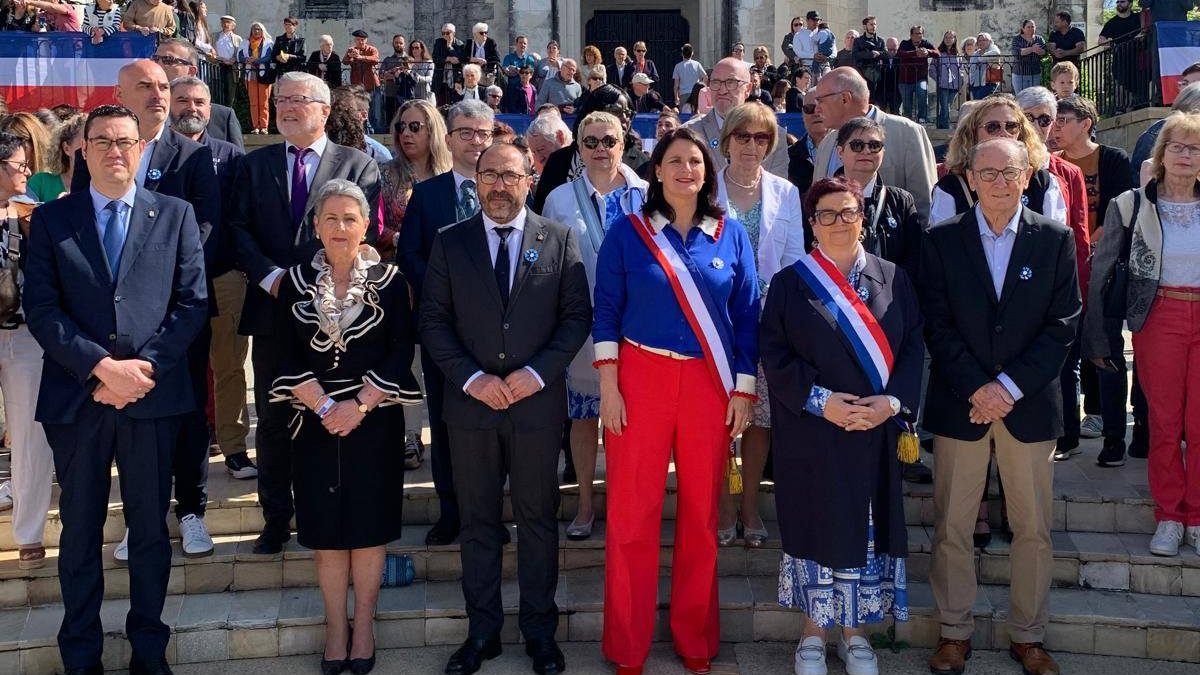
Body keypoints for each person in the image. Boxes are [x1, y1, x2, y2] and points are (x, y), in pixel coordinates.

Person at [25, 103, 208, 675]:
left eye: (125, 141)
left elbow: (192, 304)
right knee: (79, 533)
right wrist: (102, 369)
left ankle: (148, 649)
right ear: (83, 150)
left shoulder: (175, 215)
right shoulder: (53, 221)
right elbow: (43, 309)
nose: (114, 151)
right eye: (101, 140)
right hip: (79, 400)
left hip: (154, 399)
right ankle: (81, 654)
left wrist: (141, 371)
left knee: (150, 532)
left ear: (140, 148)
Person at [420, 140, 590, 675]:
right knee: (478, 522)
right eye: (488, 174)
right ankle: (483, 633)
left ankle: (540, 632)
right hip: (471, 410)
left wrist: (535, 373)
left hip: (536, 409)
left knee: (539, 521)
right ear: (477, 182)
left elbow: (575, 318)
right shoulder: (451, 243)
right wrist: (472, 379)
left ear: (529, 178)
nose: (498, 184)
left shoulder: (560, 241)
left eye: (508, 175)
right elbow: (433, 322)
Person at [595, 127, 758, 675]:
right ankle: (627, 644)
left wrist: (743, 390)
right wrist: (610, 385)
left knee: (701, 516)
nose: (687, 170)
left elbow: (749, 318)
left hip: (709, 387)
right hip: (638, 380)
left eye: (696, 161)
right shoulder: (627, 233)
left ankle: (695, 638)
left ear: (707, 173)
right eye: (675, 161)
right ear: (657, 171)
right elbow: (606, 312)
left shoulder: (731, 234)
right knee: (630, 516)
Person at [922, 137, 1080, 675]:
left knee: (1032, 527)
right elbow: (935, 325)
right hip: (961, 405)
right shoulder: (941, 241)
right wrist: (978, 389)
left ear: (1028, 175)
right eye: (985, 173)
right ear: (967, 180)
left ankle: (1029, 636)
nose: (996, 183)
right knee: (952, 525)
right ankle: (953, 633)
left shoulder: (1054, 240)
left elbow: (1062, 327)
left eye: (1007, 172)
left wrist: (1007, 388)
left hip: (1028, 406)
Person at [763, 174, 922, 675]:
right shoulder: (791, 283)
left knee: (867, 530)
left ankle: (856, 636)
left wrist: (892, 403)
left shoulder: (893, 277)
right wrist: (820, 400)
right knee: (818, 523)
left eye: (848, 212)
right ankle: (813, 633)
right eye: (826, 214)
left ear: (862, 219)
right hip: (813, 431)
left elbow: (914, 346)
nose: (838, 222)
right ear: (812, 224)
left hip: (874, 433)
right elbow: (774, 353)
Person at [71, 59, 222, 561]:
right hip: (109, 329)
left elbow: (201, 234)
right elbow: (82, 232)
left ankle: (193, 510)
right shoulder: (92, 152)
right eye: (147, 86)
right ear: (120, 93)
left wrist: (157, 300)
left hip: (177, 319)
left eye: (165, 86)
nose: (160, 95)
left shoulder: (194, 157)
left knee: (187, 413)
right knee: (127, 423)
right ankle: (142, 517)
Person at [269, 179, 421, 675]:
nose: (339, 227)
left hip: (373, 417)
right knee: (326, 531)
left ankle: (365, 626)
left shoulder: (392, 281)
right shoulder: (292, 281)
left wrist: (359, 404)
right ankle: (336, 628)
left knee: (368, 526)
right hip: (312, 423)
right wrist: (321, 405)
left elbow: (402, 348)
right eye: (329, 218)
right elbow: (280, 352)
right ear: (315, 225)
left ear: (366, 228)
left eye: (349, 219)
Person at [229, 71, 381, 555]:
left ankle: (331, 511)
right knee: (275, 419)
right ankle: (276, 519)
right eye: (280, 102)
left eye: (297, 101)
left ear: (323, 108)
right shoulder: (256, 165)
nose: (286, 109)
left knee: (334, 414)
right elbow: (238, 231)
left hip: (336, 315)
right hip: (273, 309)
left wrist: (317, 283)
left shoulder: (358, 165)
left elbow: (359, 232)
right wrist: (272, 277)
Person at [1082, 111, 1200, 557]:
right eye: (1178, 146)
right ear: (1162, 154)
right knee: (1166, 423)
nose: (1186, 155)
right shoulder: (1131, 204)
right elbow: (1102, 273)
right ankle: (1170, 515)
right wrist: (1097, 337)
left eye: (1195, 148)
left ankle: (1197, 515)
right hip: (1159, 317)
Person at [542, 111, 648, 541]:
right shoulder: (559, 199)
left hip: (638, 327)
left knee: (634, 422)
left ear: (623, 144)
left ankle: (628, 504)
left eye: (609, 140)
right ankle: (585, 503)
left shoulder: (647, 195)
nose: (600, 149)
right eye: (591, 142)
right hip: (582, 327)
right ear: (578, 148)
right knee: (585, 418)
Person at [398, 100, 494, 547]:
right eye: (467, 133)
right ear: (450, 138)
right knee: (445, 420)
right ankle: (451, 511)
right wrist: (445, 288)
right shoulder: (430, 194)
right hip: (444, 330)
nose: (476, 141)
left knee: (493, 429)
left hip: (499, 331)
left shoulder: (508, 187)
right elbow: (409, 255)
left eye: (484, 133)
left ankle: (489, 515)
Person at [711, 103, 806, 548]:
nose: (751, 145)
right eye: (743, 136)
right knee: (714, 419)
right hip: (711, 323)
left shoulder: (786, 193)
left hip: (768, 323)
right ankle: (723, 506)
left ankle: (749, 506)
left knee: (759, 418)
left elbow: (793, 264)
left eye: (761, 138)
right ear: (727, 139)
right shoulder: (703, 189)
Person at [167, 76, 254, 481]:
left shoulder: (232, 156)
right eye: (182, 99)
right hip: (165, 283)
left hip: (223, 277)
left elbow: (242, 218)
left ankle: (234, 448)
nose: (191, 108)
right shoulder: (153, 155)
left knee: (229, 366)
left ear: (210, 108)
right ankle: (173, 447)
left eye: (199, 101)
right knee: (172, 367)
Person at [1051, 96, 1133, 467]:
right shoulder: (1055, 165)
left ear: (1085, 123)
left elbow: (1118, 211)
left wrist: (1092, 242)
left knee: (1105, 350)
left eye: (1063, 119)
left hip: (1106, 266)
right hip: (1069, 267)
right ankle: (1067, 432)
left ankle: (1113, 435)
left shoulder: (1113, 159)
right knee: (1067, 353)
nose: (1056, 127)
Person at [1013, 86, 1092, 468]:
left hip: (1056, 286)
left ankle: (1067, 433)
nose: (1041, 126)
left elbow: (1077, 233)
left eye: (1049, 119)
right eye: (1032, 117)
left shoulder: (1067, 173)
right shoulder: (995, 167)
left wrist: (1076, 289)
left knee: (1063, 363)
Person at [0, 133, 53, 572]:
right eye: (18, 165)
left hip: (25, 334)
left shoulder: (32, 212)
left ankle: (29, 533)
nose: (26, 172)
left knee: (31, 435)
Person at [813, 67, 938, 223]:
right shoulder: (827, 143)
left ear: (845, 98)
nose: (816, 109)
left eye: (820, 100)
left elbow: (925, 205)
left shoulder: (907, 133)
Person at [929, 95, 1066, 228]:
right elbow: (942, 243)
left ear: (1021, 132)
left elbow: (1054, 240)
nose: (1003, 133)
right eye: (992, 127)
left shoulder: (1043, 183)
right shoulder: (950, 188)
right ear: (973, 133)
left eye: (1011, 126)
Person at [827, 117, 923, 278]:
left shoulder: (901, 202)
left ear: (882, 152)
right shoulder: (820, 199)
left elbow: (915, 260)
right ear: (840, 152)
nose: (866, 151)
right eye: (857, 145)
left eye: (874, 146)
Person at [682, 57, 789, 178]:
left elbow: (778, 191)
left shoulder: (774, 135)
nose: (722, 90)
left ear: (748, 89)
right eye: (716, 82)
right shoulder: (688, 133)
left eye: (731, 82)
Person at [152, 38, 244, 149]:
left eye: (169, 59)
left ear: (191, 71)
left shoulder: (223, 118)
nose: (159, 65)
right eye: (156, 59)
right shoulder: (143, 113)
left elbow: (237, 163)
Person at [28, 113, 82, 203]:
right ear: (66, 148)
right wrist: (54, 209)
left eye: (100, 142)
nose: (91, 146)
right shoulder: (41, 182)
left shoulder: (106, 185)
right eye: (85, 140)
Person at [787, 89, 826, 194]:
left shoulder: (849, 151)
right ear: (803, 114)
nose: (816, 114)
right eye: (809, 108)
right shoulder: (788, 156)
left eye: (821, 108)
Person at [897, 26, 938, 125]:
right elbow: (900, 54)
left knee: (922, 93)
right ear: (911, 35)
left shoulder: (925, 43)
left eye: (920, 33)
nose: (918, 35)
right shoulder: (905, 43)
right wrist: (915, 53)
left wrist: (928, 52)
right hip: (905, 79)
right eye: (916, 33)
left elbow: (937, 53)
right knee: (907, 104)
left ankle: (922, 118)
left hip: (921, 78)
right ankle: (908, 121)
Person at [239, 22, 275, 135]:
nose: (256, 31)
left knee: (264, 102)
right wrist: (246, 60)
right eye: (254, 29)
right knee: (253, 102)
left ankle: (264, 127)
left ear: (262, 31)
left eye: (259, 29)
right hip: (250, 74)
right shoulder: (245, 42)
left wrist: (256, 61)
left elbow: (269, 57)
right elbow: (240, 55)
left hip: (264, 74)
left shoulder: (268, 42)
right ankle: (256, 126)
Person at [934, 31, 966, 130]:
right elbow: (932, 69)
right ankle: (947, 128)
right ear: (943, 39)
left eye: (951, 37)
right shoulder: (938, 53)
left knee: (946, 107)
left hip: (954, 85)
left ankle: (940, 126)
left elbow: (960, 69)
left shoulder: (957, 54)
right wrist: (939, 79)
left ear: (954, 39)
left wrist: (960, 80)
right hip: (942, 85)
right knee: (945, 107)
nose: (948, 39)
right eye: (946, 37)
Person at [854, 16, 887, 103]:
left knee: (876, 99)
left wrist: (879, 53)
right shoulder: (858, 41)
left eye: (875, 24)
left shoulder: (880, 41)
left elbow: (886, 54)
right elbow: (855, 54)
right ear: (865, 26)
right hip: (862, 73)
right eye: (871, 24)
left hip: (877, 74)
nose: (874, 26)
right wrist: (870, 54)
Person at [1012, 20, 1047, 94]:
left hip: (1035, 73)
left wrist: (1040, 51)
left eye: (1033, 27)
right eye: (1028, 27)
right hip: (1020, 74)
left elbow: (1045, 52)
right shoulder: (1017, 39)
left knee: (1034, 97)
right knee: (1021, 97)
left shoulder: (1039, 39)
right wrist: (1032, 49)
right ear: (1023, 29)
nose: (1031, 29)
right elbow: (1017, 53)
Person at [674, 43, 707, 112]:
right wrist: (702, 87)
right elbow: (705, 76)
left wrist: (676, 97)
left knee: (684, 115)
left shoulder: (678, 66)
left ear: (682, 54)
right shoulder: (697, 64)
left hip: (683, 93)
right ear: (692, 53)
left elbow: (676, 85)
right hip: (696, 92)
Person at [969, 32, 1002, 100]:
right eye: (980, 40)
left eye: (984, 40)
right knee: (977, 103)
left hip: (989, 82)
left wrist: (980, 59)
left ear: (990, 41)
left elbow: (997, 53)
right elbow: (972, 69)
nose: (982, 42)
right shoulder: (975, 54)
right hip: (975, 83)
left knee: (982, 102)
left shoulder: (993, 49)